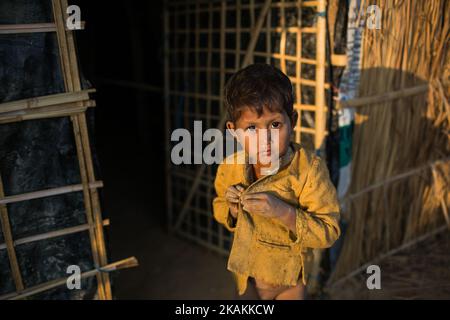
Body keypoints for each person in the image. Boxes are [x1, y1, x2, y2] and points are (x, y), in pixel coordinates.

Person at [212, 63, 341, 300]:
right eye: (251, 128)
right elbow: (219, 206)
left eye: (275, 125)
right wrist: (232, 209)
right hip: (247, 277)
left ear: (293, 120)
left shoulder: (308, 171)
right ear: (233, 131)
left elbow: (329, 231)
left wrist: (283, 212)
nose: (265, 139)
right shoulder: (230, 167)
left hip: (289, 281)